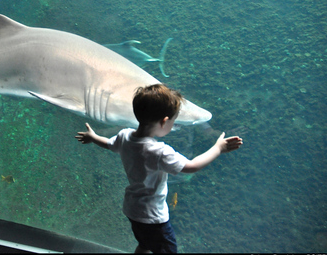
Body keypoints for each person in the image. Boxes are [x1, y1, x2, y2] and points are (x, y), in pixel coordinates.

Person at [75, 84, 243, 253]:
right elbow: (192, 166)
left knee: (144, 244)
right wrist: (218, 148)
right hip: (153, 217)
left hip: (132, 209)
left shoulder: (125, 135)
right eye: (173, 121)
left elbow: (109, 144)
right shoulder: (159, 151)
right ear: (164, 122)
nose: (173, 125)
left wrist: (93, 137)